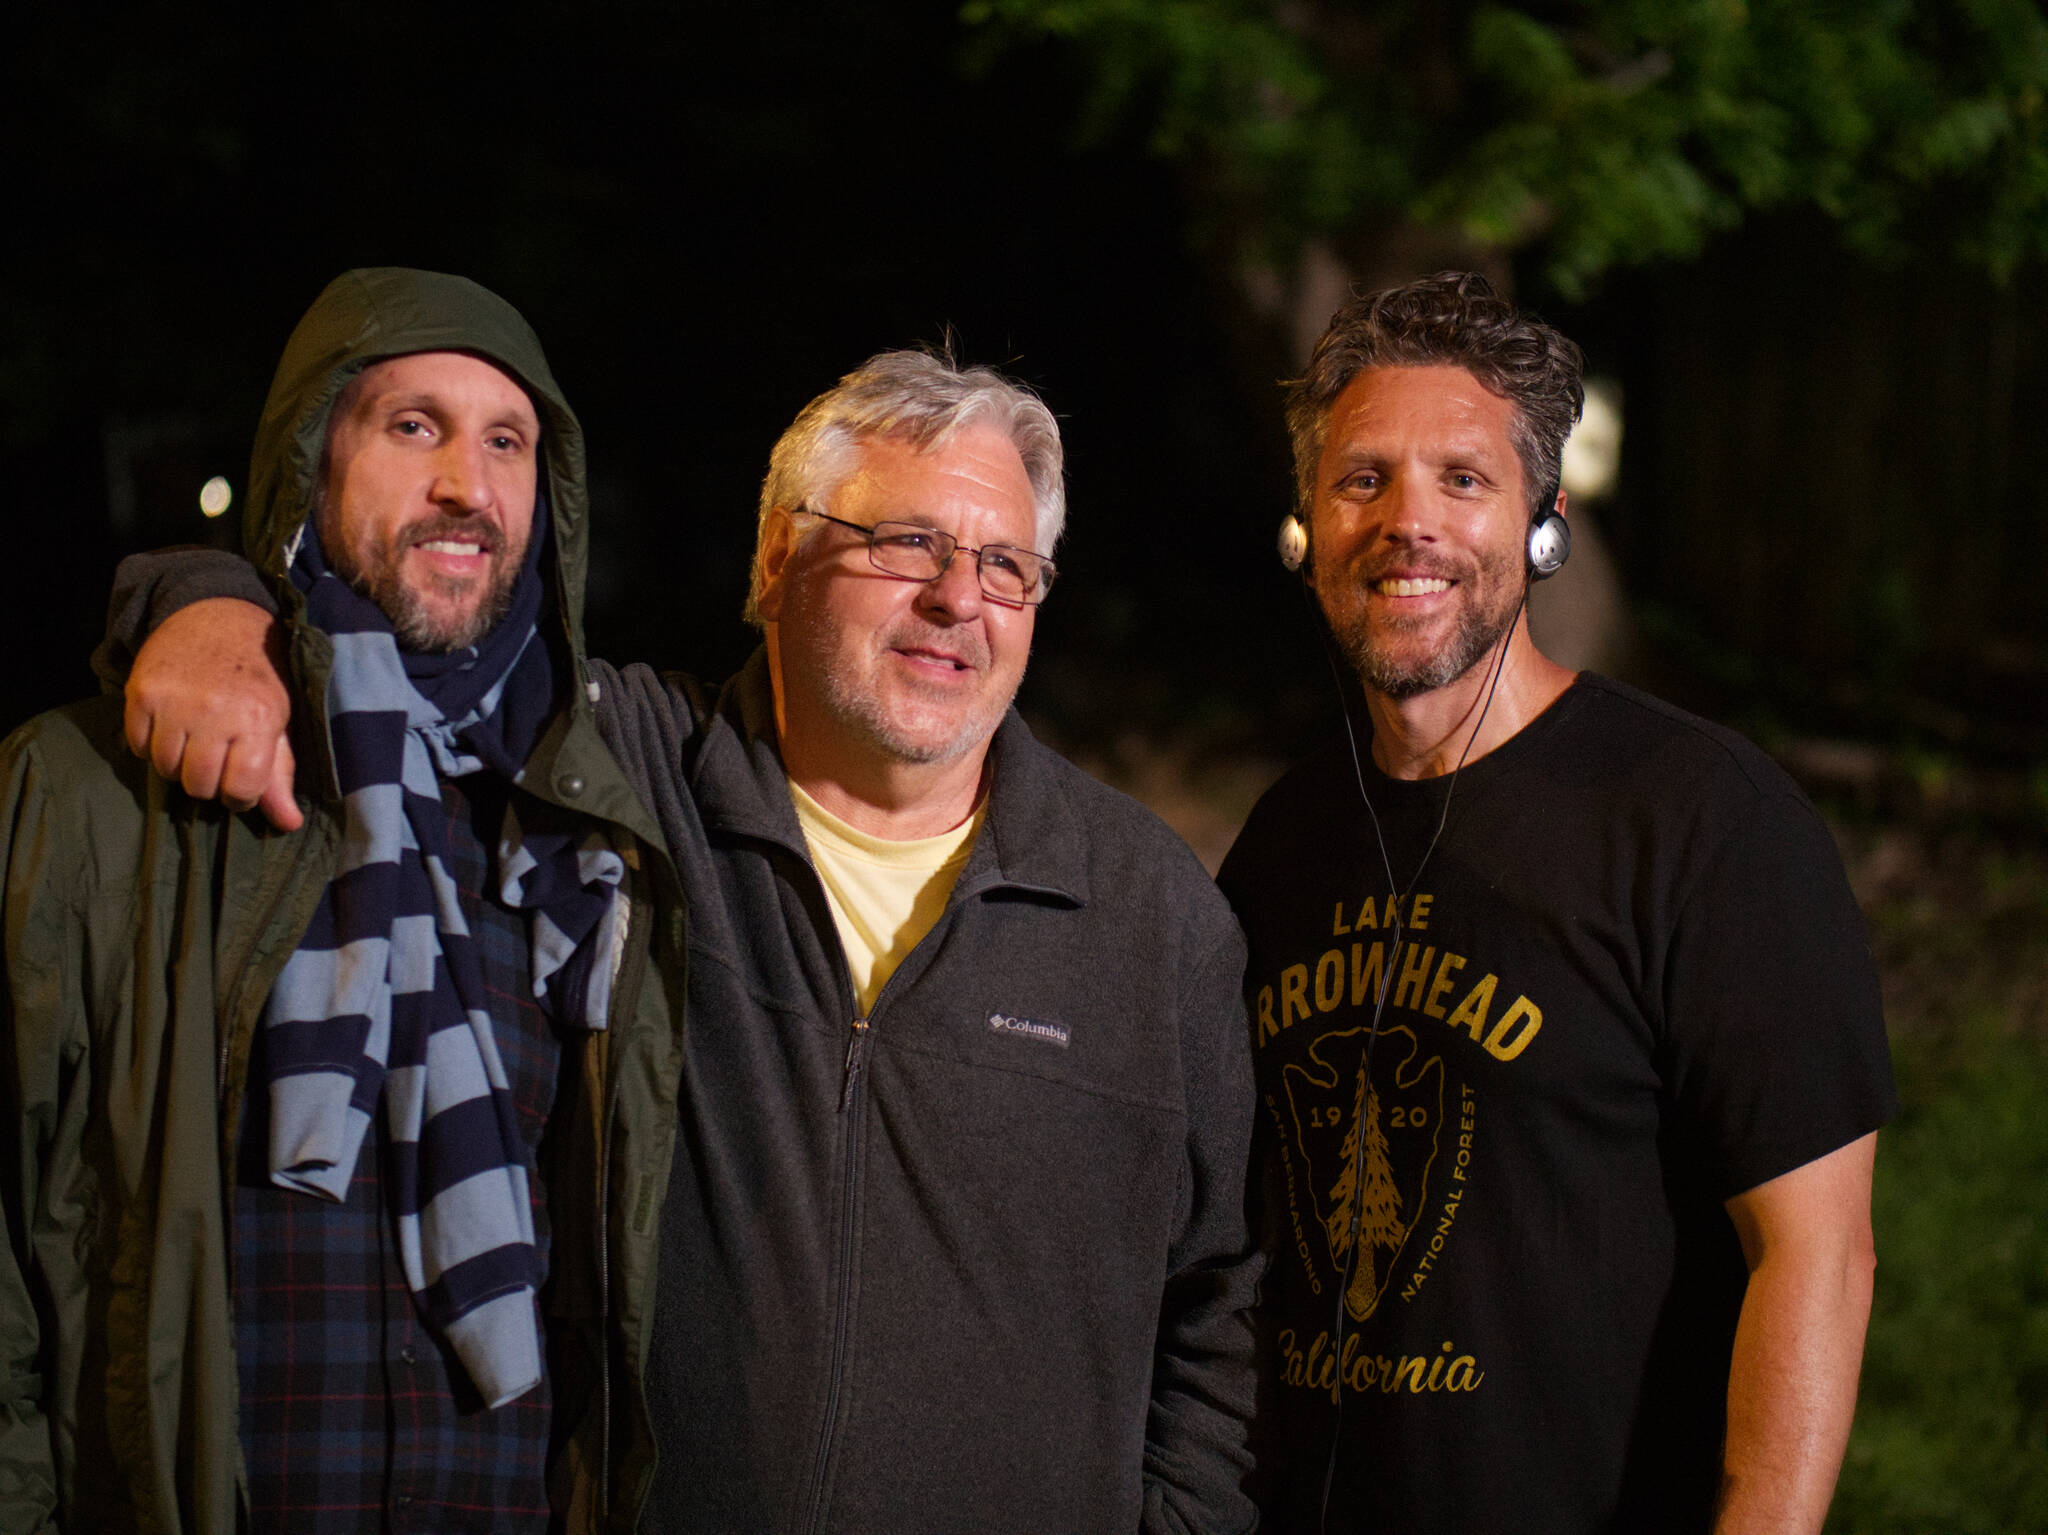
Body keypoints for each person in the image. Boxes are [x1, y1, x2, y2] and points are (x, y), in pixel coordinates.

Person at [95, 350, 1262, 1532]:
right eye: (905, 542)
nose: (957, 598)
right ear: (774, 558)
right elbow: (393, 643)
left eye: (1003, 564)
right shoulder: (618, 781)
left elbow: (1221, 1311)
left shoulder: (1149, 917)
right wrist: (201, 599)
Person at [0, 268, 687, 1534]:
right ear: (311, 461)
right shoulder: (99, 789)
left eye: (506, 443)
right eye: (411, 425)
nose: (464, 487)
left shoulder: (581, 849)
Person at [1214, 271, 1897, 1533]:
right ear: (1303, 526)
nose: (1404, 521)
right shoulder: (1281, 844)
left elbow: (1815, 1257)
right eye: (1361, 478)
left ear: (1543, 523)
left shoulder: (1699, 819)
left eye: (1461, 480)